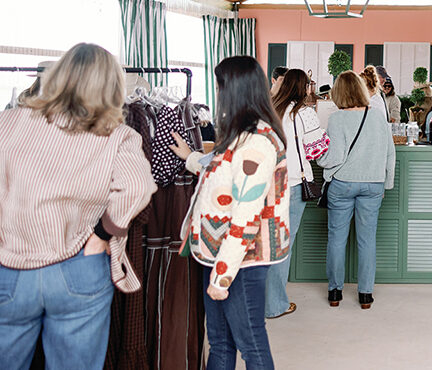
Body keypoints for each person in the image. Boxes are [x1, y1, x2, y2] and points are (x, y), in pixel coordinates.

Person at [0, 43, 156, 370]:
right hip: (79, 263)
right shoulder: (117, 134)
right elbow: (138, 186)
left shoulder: (9, 122)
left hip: (10, 264)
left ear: (58, 76)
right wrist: (103, 234)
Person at [170, 55, 288, 370]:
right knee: (221, 343)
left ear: (234, 91)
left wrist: (222, 277)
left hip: (241, 260)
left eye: (220, 86)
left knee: (251, 346)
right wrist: (191, 158)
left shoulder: (256, 143)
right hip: (221, 253)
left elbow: (246, 217)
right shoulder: (242, 134)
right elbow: (224, 176)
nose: (218, 93)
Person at [319, 71, 395, 310]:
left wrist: (319, 158)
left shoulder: (336, 119)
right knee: (367, 240)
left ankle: (335, 292)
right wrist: (386, 183)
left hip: (343, 183)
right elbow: (389, 153)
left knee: (337, 239)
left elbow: (334, 156)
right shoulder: (378, 117)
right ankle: (365, 294)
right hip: (373, 183)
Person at [265, 69, 323, 319]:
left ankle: (259, 300)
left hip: (266, 184)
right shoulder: (304, 113)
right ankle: (274, 305)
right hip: (293, 184)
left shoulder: (268, 110)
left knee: (267, 242)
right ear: (304, 88)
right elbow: (316, 151)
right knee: (283, 245)